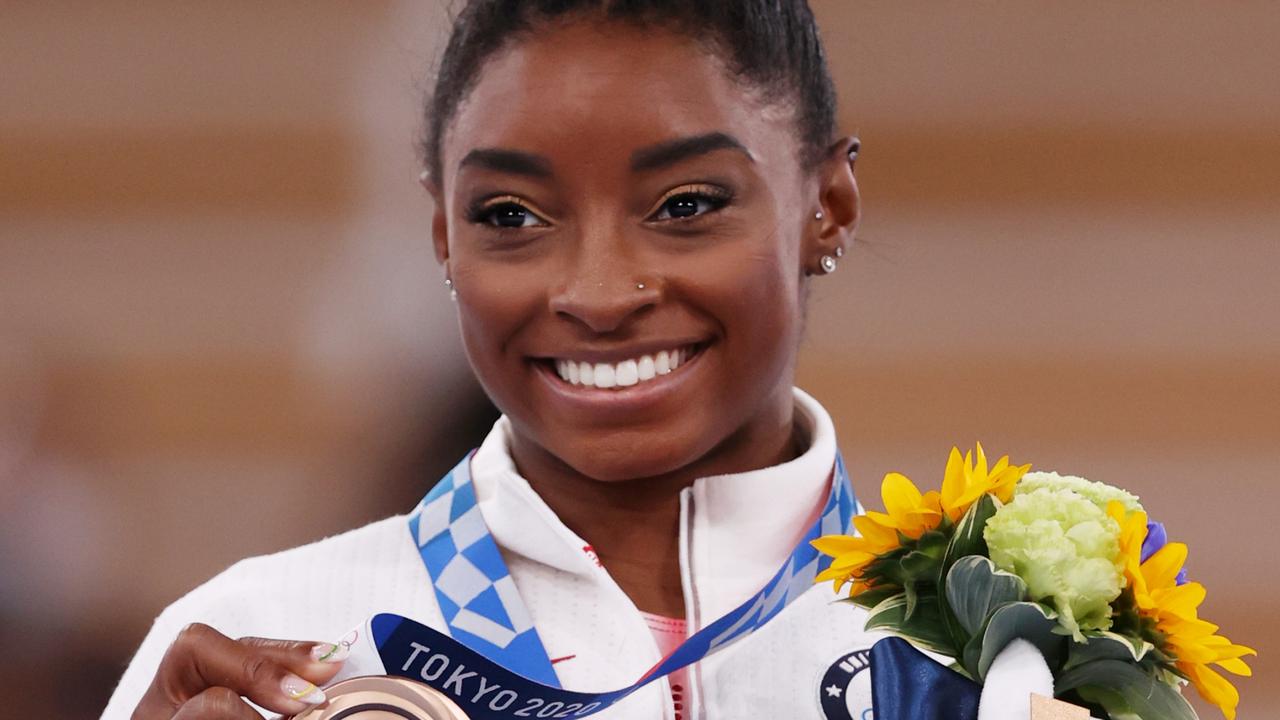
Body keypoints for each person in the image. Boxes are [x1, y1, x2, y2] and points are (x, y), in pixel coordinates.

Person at [104, 2, 878, 718]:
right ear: (444, 237)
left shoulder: (975, 644)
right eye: (510, 214)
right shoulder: (262, 641)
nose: (599, 295)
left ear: (829, 206)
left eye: (685, 204)